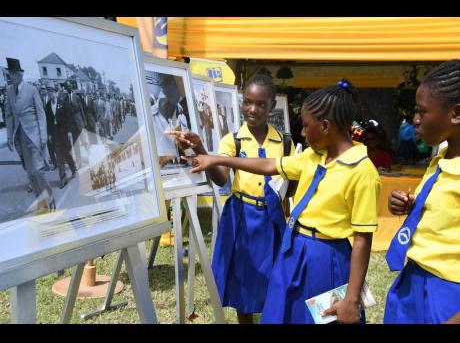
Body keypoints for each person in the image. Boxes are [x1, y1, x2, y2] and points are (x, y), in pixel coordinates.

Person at [185, 79, 380, 324]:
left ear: (326, 126)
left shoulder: (362, 171)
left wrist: (351, 299)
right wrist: (217, 160)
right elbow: (269, 165)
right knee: (281, 314)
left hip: (325, 254)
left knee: (318, 318)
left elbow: (363, 238)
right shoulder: (312, 156)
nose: (302, 133)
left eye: (307, 127)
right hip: (295, 247)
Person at [166, 74, 295, 324]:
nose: (252, 109)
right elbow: (221, 178)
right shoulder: (232, 140)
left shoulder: (285, 142)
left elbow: (290, 188)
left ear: (272, 105)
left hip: (272, 219)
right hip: (242, 216)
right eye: (247, 102)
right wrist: (202, 151)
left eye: (260, 103)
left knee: (275, 275)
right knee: (243, 277)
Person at [385, 59, 460, 324]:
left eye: (422, 112)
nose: (415, 120)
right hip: (414, 280)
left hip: (448, 295)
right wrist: (411, 206)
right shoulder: (441, 156)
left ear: (456, 113)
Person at [4, 57, 55, 211]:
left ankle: (50, 201)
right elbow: (9, 115)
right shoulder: (8, 91)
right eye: (9, 74)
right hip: (20, 138)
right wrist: (9, 137)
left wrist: (43, 135)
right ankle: (43, 202)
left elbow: (41, 114)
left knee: (39, 171)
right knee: (31, 173)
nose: (10, 76)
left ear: (19, 74)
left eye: (12, 74)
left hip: (34, 136)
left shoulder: (31, 89)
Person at [44, 85, 76, 189]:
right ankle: (63, 179)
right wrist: (49, 134)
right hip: (55, 134)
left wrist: (70, 131)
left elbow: (69, 117)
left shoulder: (62, 103)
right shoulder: (48, 106)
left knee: (67, 153)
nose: (50, 94)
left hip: (64, 132)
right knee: (59, 156)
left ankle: (73, 168)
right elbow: (48, 121)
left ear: (56, 93)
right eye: (49, 93)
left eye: (52, 92)